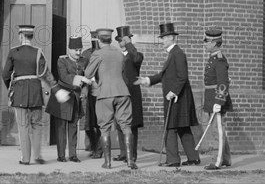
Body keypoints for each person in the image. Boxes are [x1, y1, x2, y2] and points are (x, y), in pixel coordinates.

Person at [2, 25, 70, 165]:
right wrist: (56, 89)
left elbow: (5, 74)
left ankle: (26, 159)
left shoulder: (13, 52)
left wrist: (10, 86)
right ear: (31, 36)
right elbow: (46, 73)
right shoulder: (38, 52)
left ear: (21, 36)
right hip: (35, 92)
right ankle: (38, 156)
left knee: (23, 126)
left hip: (19, 92)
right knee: (37, 125)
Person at [135, 23, 200, 167]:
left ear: (171, 38)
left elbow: (182, 76)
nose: (162, 41)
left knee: (171, 127)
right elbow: (163, 75)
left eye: (164, 38)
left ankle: (173, 160)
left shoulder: (178, 54)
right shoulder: (173, 54)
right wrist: (146, 80)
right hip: (177, 98)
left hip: (177, 98)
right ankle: (193, 158)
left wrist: (174, 91)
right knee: (183, 127)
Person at [84, 28, 137, 170]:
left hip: (105, 93)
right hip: (123, 92)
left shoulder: (98, 53)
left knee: (104, 127)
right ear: (110, 39)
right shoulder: (119, 53)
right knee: (126, 126)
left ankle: (107, 162)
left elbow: (88, 74)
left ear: (99, 40)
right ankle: (130, 161)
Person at [45, 35, 91, 162]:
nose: (78, 52)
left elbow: (87, 78)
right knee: (61, 128)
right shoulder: (62, 61)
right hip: (63, 97)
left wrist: (85, 90)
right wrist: (81, 79)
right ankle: (61, 156)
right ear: (69, 49)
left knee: (73, 127)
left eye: (80, 50)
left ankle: (73, 155)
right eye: (75, 50)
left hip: (76, 97)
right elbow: (64, 77)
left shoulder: (83, 61)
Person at [201, 28, 233, 170]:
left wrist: (219, 101)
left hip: (216, 99)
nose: (204, 43)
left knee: (217, 131)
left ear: (214, 43)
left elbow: (223, 83)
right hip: (211, 98)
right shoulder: (213, 58)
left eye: (207, 41)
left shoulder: (219, 60)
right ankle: (225, 158)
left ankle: (217, 161)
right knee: (218, 130)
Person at [113, 26, 144, 164]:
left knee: (132, 124)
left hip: (132, 94)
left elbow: (136, 58)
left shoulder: (135, 55)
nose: (122, 43)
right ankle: (123, 153)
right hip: (119, 93)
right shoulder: (116, 56)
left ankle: (132, 154)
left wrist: (129, 44)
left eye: (125, 40)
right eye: (120, 40)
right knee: (119, 123)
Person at [82, 30, 103, 158]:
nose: (94, 40)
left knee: (100, 122)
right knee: (88, 123)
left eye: (97, 38)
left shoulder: (104, 53)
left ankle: (99, 149)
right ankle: (93, 146)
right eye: (93, 37)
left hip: (100, 92)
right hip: (88, 92)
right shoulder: (86, 54)